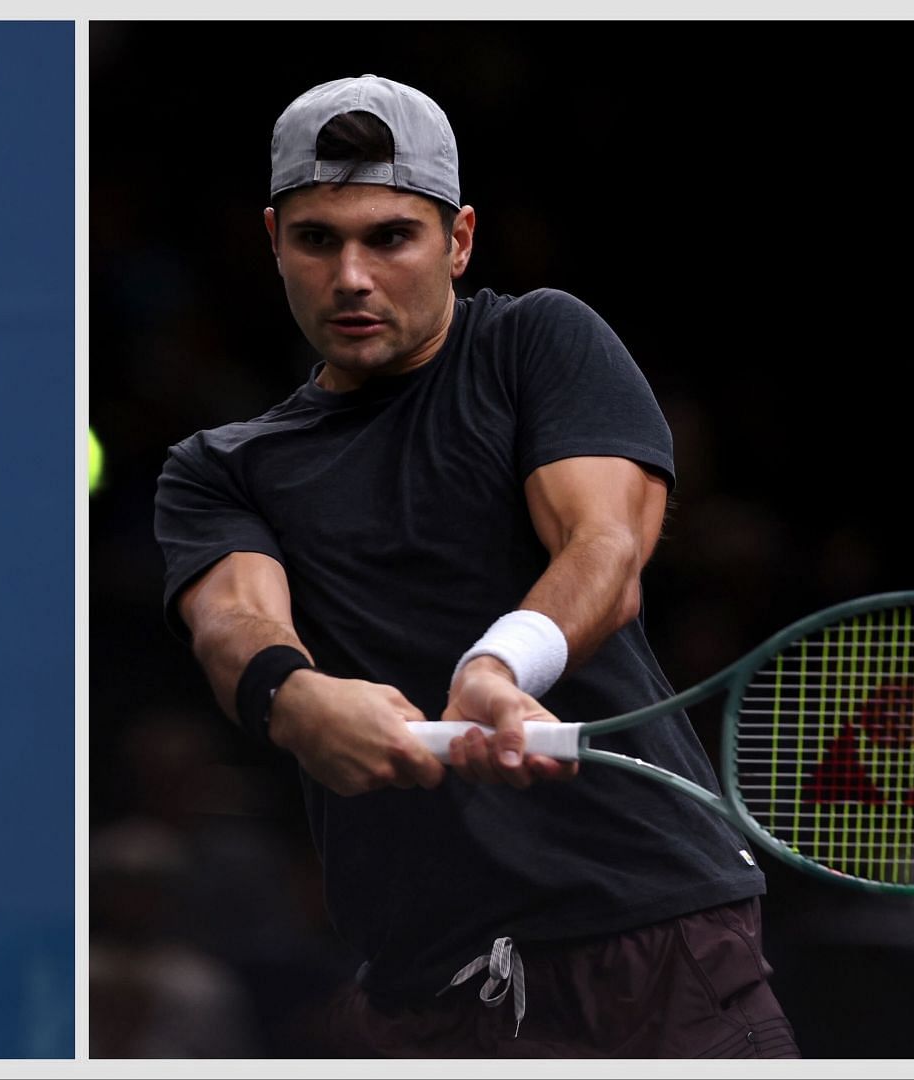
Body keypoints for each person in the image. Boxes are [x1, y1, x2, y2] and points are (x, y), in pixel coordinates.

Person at [153, 74, 798, 1058]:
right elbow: (236, 622)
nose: (353, 275)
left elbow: (606, 548)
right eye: (319, 239)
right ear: (273, 241)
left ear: (457, 240)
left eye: (390, 237)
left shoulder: (537, 342)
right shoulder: (222, 467)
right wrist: (299, 702)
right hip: (429, 988)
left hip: (655, 942)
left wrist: (498, 669)